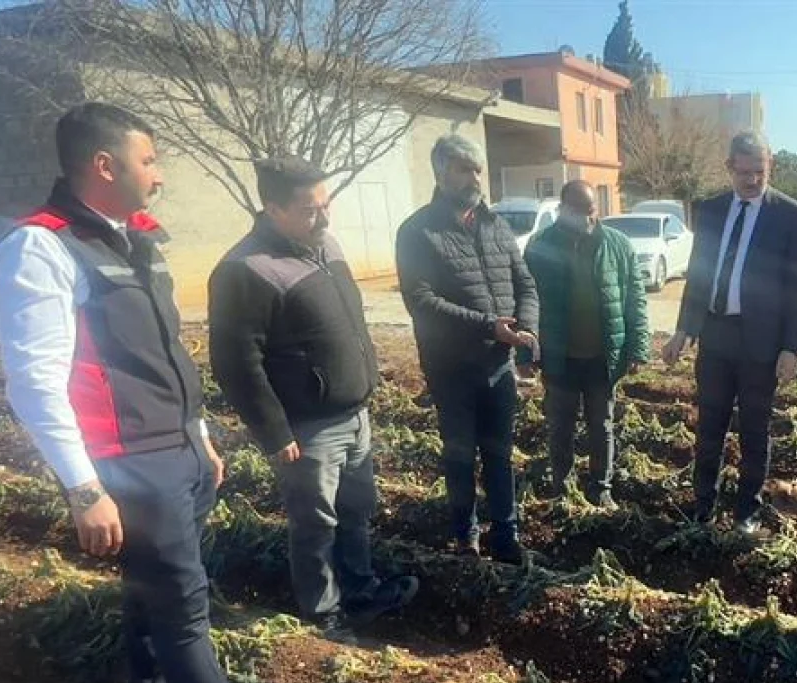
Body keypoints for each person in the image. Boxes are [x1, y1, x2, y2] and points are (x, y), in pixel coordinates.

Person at [0, 103, 311, 683]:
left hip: (180, 451)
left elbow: (162, 353)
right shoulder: (40, 248)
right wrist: (83, 487)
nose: (159, 175)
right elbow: (35, 382)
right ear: (104, 166)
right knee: (185, 601)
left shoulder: (136, 239)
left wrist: (200, 437)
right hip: (130, 462)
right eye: (149, 160)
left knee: (150, 599)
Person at [208, 156, 418, 644]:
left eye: (326, 205)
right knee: (315, 522)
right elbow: (236, 362)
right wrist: (273, 431)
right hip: (308, 426)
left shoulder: (326, 244)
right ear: (273, 207)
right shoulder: (245, 270)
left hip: (354, 412)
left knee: (356, 509)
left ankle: (361, 589)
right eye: (309, 209)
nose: (323, 218)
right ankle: (323, 613)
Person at [395, 135, 538, 563]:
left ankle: (506, 535)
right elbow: (421, 302)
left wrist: (526, 328)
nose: (475, 178)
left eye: (478, 169)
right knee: (459, 454)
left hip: (498, 364)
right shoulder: (418, 231)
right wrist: (488, 327)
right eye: (464, 170)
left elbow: (525, 283)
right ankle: (465, 535)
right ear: (441, 173)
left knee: (499, 452)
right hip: (451, 367)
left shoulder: (495, 226)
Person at [661, 131, 797, 537]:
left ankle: (748, 509)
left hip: (761, 341)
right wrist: (684, 329)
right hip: (717, 336)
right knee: (710, 425)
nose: (751, 181)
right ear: (729, 168)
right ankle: (703, 505)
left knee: (755, 430)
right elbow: (699, 273)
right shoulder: (709, 209)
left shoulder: (790, 214)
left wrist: (791, 347)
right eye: (744, 172)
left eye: (759, 172)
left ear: (770, 166)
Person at [524, 180, 650, 509]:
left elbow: (635, 299)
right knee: (560, 426)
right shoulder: (540, 246)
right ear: (563, 208)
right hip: (559, 355)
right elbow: (526, 301)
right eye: (580, 209)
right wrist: (527, 352)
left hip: (602, 356)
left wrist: (637, 348)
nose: (588, 216)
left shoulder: (618, 245)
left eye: (592, 209)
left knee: (602, 425)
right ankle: (562, 487)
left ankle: (600, 488)